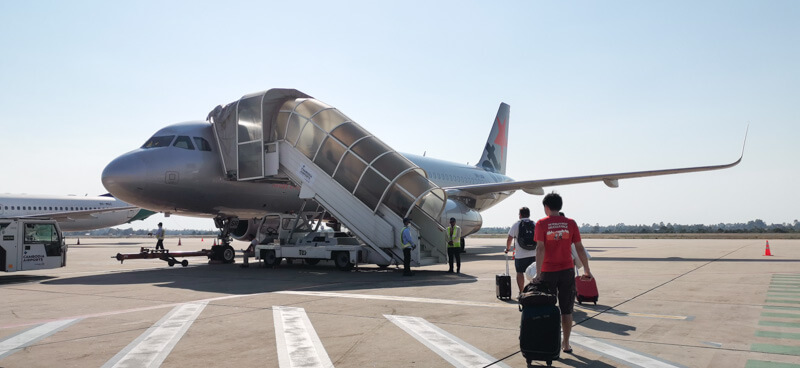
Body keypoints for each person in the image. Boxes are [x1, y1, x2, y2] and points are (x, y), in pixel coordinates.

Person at [533, 192, 592, 354]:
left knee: (547, 308)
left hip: (548, 272)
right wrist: (586, 269)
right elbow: (579, 248)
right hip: (567, 271)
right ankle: (565, 344)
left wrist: (538, 274)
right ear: (560, 206)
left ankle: (550, 342)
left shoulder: (541, 223)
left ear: (546, 207)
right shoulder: (570, 223)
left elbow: (540, 248)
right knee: (567, 310)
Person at [505, 207, 537, 296]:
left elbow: (509, 238)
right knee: (534, 273)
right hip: (533, 254)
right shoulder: (534, 224)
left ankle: (522, 292)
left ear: (520, 215)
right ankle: (533, 291)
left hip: (520, 255)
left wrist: (507, 249)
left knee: (520, 272)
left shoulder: (516, 224)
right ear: (529, 214)